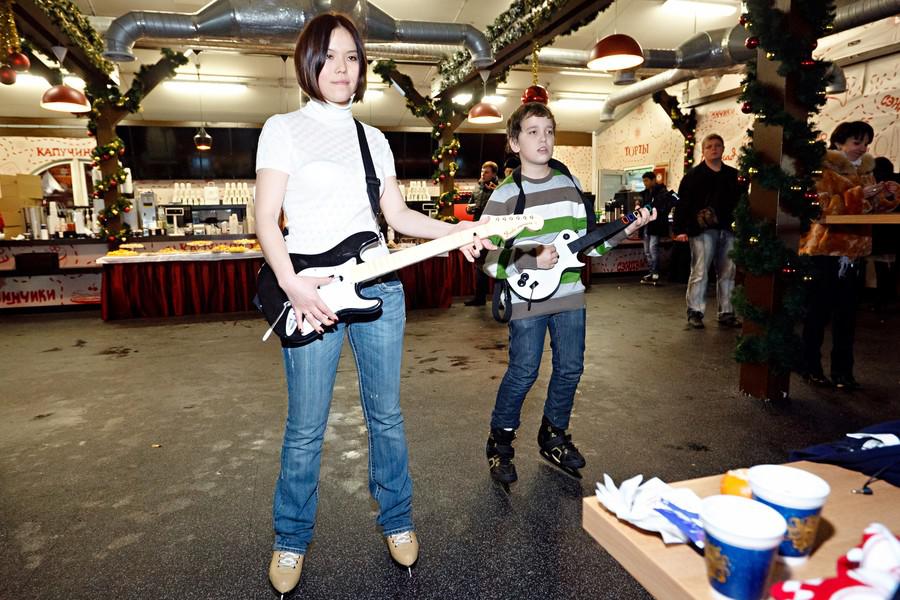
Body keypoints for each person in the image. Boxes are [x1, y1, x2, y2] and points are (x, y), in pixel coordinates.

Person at [254, 13, 494, 595]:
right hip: (310, 291)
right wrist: (291, 284)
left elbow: (398, 217)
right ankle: (290, 539)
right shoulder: (283, 128)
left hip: (378, 285)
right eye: (331, 56)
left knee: (386, 415)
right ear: (309, 62)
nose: (343, 68)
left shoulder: (373, 139)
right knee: (306, 426)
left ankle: (397, 519)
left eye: (353, 57)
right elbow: (264, 219)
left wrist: (458, 232)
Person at [479, 102, 654, 486]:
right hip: (526, 300)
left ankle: (553, 435)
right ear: (514, 142)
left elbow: (590, 246)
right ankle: (500, 442)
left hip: (570, 295)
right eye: (532, 132)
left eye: (549, 131)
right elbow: (488, 261)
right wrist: (531, 257)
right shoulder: (505, 196)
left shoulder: (570, 185)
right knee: (523, 372)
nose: (543, 139)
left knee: (571, 368)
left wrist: (627, 229)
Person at [798, 121, 899, 390]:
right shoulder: (823, 170)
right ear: (839, 143)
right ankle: (810, 366)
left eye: (866, 143)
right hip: (825, 251)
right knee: (818, 313)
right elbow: (821, 207)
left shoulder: (867, 172)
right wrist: (858, 194)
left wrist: (888, 196)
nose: (862, 148)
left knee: (847, 316)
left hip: (854, 253)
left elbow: (873, 208)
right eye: (857, 142)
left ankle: (843, 372)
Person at [673, 133, 741, 329]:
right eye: (709, 146)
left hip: (728, 229)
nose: (714, 149)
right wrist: (680, 229)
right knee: (700, 272)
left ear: (723, 149)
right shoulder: (692, 177)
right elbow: (683, 205)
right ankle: (695, 311)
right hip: (702, 231)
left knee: (728, 272)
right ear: (703, 151)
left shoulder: (733, 176)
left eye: (717, 145)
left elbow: (741, 203)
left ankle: (727, 312)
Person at [464, 161, 500, 306]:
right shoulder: (477, 188)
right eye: (482, 171)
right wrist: (468, 209)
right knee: (479, 265)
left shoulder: (500, 189)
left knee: (498, 264)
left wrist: (496, 191)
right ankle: (480, 298)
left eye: (486, 172)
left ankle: (501, 299)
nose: (483, 174)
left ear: (494, 174)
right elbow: (470, 205)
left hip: (494, 231)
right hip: (478, 231)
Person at [638, 171, 674, 284]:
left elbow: (665, 206)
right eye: (644, 181)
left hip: (656, 224)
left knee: (653, 248)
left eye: (647, 180)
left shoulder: (662, 192)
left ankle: (655, 272)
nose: (645, 183)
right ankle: (652, 271)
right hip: (646, 224)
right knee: (647, 250)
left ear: (653, 180)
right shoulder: (644, 194)